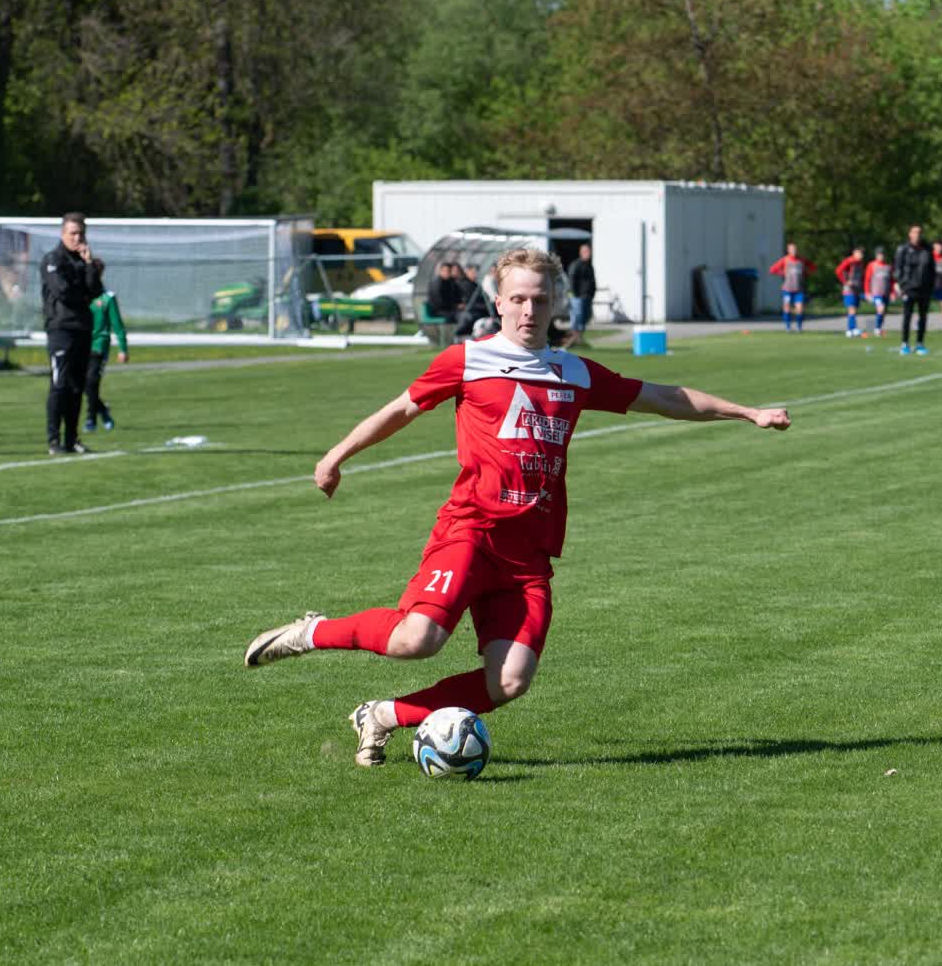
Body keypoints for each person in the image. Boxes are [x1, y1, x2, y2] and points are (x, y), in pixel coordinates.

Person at [243, 248, 792, 767]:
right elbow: (401, 410)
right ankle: (312, 632)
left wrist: (748, 412)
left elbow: (666, 397)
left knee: (509, 681)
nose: (530, 310)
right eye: (519, 299)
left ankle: (382, 715)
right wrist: (337, 455)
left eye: (541, 299)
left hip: (528, 554)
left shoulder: (574, 372)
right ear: (499, 302)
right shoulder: (468, 360)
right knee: (417, 640)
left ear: (555, 303)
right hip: (471, 532)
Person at [41, 213, 103, 456]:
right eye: (73, 233)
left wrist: (89, 265)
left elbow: (96, 290)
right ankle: (53, 440)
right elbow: (63, 292)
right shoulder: (53, 259)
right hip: (61, 328)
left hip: (82, 328)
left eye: (81, 233)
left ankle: (71, 439)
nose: (77, 238)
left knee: (77, 386)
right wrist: (84, 294)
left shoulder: (83, 261)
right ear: (63, 234)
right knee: (60, 384)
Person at [83, 264, 129, 433]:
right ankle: (102, 410)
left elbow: (118, 325)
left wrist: (123, 349)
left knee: (92, 382)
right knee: (82, 384)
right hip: (82, 345)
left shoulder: (107, 298)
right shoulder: (81, 296)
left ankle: (90, 419)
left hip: (99, 346)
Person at [894, 224, 936, 355]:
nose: (917, 235)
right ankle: (905, 343)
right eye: (915, 232)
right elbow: (898, 268)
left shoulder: (927, 249)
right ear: (910, 234)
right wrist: (901, 284)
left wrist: (931, 285)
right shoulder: (903, 249)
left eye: (919, 232)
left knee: (923, 317)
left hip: (924, 288)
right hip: (909, 288)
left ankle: (920, 343)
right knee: (907, 316)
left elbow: (932, 269)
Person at [769, 243, 815, 332]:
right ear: (788, 250)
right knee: (787, 307)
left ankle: (799, 327)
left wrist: (806, 273)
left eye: (795, 249)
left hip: (799, 289)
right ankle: (788, 327)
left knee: (799, 308)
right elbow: (772, 269)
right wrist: (782, 273)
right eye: (792, 249)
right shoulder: (785, 260)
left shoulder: (802, 260)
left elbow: (813, 267)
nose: (794, 251)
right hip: (787, 289)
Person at [566, 244, 596, 345]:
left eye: (589, 251)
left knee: (586, 317)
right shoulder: (576, 265)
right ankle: (574, 340)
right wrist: (575, 294)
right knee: (577, 318)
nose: (589, 253)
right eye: (586, 251)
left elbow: (592, 280)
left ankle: (579, 339)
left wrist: (593, 292)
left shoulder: (589, 265)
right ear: (581, 252)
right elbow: (572, 279)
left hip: (587, 296)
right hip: (578, 297)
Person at [862, 248, 894, 337]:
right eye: (879, 254)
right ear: (876, 255)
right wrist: (867, 292)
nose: (881, 256)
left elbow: (892, 280)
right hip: (876, 292)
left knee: (883, 312)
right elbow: (867, 279)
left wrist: (892, 292)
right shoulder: (872, 265)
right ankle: (876, 328)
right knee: (881, 309)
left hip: (886, 293)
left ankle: (877, 328)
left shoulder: (888, 266)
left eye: (882, 254)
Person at [836, 247, 865, 338]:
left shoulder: (860, 263)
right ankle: (851, 329)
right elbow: (838, 271)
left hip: (857, 289)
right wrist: (846, 282)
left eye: (862, 253)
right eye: (859, 253)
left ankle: (851, 329)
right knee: (851, 309)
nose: (861, 255)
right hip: (849, 289)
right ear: (854, 253)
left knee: (854, 309)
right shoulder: (849, 261)